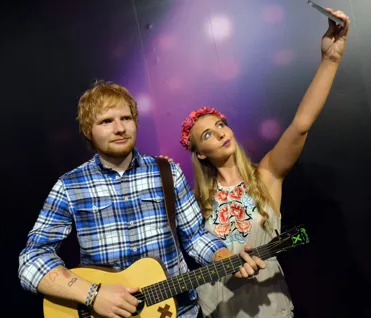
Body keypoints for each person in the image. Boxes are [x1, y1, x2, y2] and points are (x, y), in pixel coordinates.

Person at [18, 81, 266, 318]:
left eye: (126, 118)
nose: (119, 128)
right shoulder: (71, 186)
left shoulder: (167, 172)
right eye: (106, 121)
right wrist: (92, 294)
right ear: (88, 131)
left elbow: (195, 237)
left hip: (180, 312)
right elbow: (31, 261)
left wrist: (223, 257)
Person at [177, 9, 350, 317]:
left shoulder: (267, 175)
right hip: (219, 310)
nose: (220, 133)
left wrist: (330, 61)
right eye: (207, 134)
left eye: (221, 124)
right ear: (199, 152)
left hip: (270, 309)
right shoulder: (193, 202)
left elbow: (301, 124)